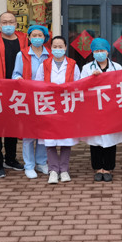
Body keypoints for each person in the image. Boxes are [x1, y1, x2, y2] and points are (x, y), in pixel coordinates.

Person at [0, 12, 28, 178]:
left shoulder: (24, 40)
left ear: (16, 24)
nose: (8, 25)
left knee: (13, 127)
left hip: (17, 91)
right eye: (4, 22)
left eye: (11, 22)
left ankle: (10, 158)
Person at [35, 36, 81, 184]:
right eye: (55, 46)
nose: (57, 49)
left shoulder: (73, 64)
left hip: (66, 105)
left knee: (66, 140)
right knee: (50, 140)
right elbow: (37, 84)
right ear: (51, 48)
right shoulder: (44, 65)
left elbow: (78, 84)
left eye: (60, 46)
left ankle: (64, 169)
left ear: (65, 48)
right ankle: (53, 170)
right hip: (49, 105)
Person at [81, 38, 122, 182]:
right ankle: (97, 168)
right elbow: (81, 86)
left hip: (111, 108)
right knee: (95, 140)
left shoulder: (117, 67)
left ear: (107, 52)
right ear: (92, 52)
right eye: (96, 51)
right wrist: (92, 79)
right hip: (94, 108)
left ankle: (108, 168)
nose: (99, 53)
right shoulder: (87, 68)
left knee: (110, 139)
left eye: (102, 50)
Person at [12, 25, 50, 179]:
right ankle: (29, 165)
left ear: (45, 37)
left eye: (40, 35)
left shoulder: (50, 54)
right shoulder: (21, 54)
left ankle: (41, 162)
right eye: (34, 35)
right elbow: (15, 73)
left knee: (43, 132)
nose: (37, 38)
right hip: (27, 97)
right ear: (28, 37)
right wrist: (18, 79)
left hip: (45, 98)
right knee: (28, 133)